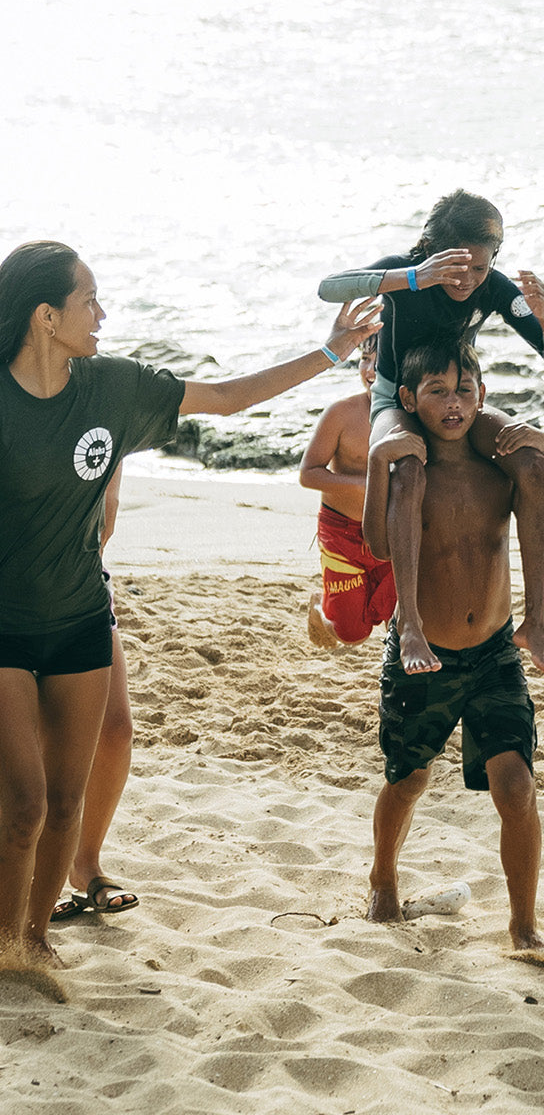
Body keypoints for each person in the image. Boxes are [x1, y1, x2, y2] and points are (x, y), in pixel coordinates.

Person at [0, 239, 380, 970]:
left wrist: (330, 354)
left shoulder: (113, 387)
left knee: (65, 804)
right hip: (5, 630)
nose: (102, 315)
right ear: (46, 317)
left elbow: (229, 397)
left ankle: (33, 943)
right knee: (20, 803)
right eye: (89, 301)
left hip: (80, 618)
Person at [360, 340, 544, 964]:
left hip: (495, 653)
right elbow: (376, 543)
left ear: (484, 394)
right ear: (408, 400)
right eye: (438, 391)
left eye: (465, 390)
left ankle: (523, 925)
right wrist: (375, 466)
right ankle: (383, 876)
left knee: (517, 789)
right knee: (409, 778)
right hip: (425, 653)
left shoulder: (498, 473)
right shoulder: (412, 475)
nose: (454, 404)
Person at [319, 190, 544, 677]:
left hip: (456, 398)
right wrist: (416, 277)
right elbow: (329, 288)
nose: (467, 280)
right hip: (401, 400)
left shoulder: (492, 287)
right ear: (433, 248)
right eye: (456, 267)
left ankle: (536, 621)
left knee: (529, 461)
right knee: (410, 471)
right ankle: (410, 623)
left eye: (480, 268)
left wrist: (543, 315)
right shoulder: (408, 271)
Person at [50, 464, 139, 922]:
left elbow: (106, 515)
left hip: (83, 583)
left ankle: (84, 865)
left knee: (115, 730)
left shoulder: (102, 404)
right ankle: (33, 872)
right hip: (18, 589)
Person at [299, 332, 395, 647]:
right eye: (364, 360)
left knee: (395, 615)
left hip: (390, 534)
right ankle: (321, 603)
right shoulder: (341, 414)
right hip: (342, 532)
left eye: (379, 364)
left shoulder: (413, 416)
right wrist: (363, 484)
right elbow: (308, 474)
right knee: (351, 634)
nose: (369, 370)